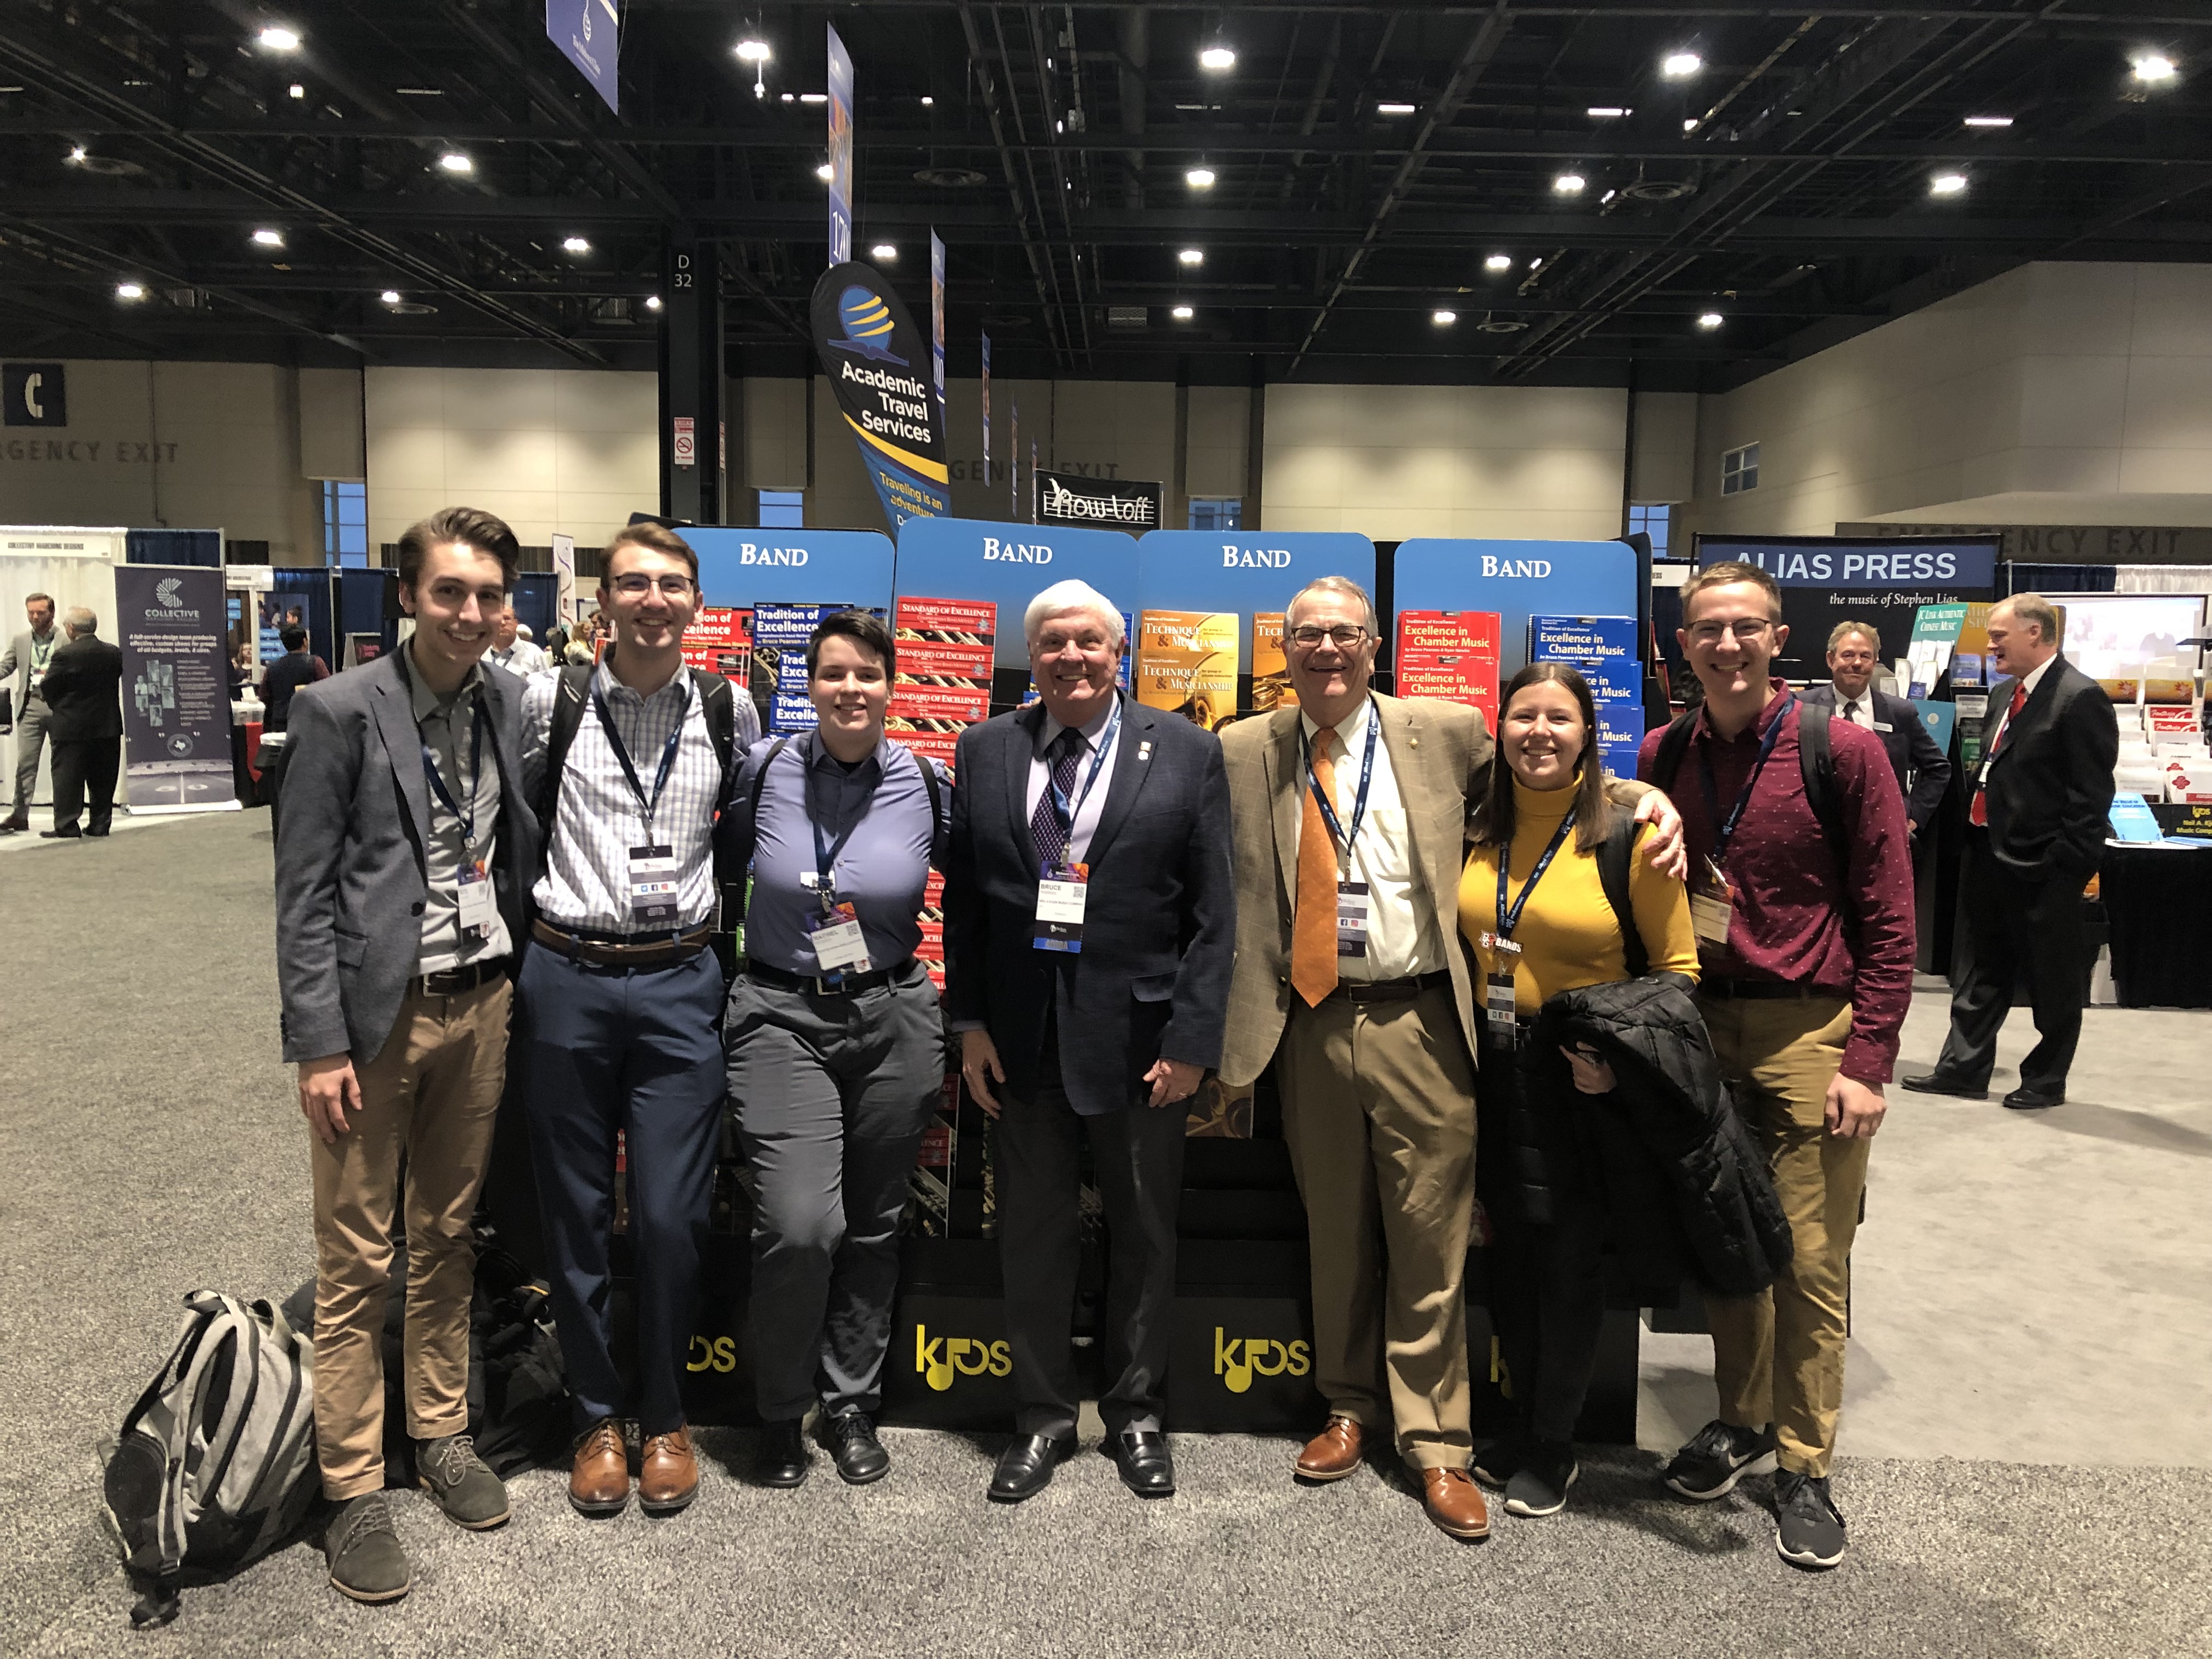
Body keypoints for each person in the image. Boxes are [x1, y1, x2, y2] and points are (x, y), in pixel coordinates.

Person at [1216, 574, 1681, 1542]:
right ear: (1285, 649)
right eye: (1308, 635)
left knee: (1429, 1237)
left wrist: (1653, 799)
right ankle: (1348, 1406)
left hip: (1423, 1016)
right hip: (1305, 1018)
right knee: (1334, 1228)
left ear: (1375, 643)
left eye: (1345, 633)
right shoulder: (1242, 748)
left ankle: (1435, 1441)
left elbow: (1554, 767)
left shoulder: (1444, 728)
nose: (1327, 650)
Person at [273, 506, 539, 1604]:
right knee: (357, 1259)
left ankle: (438, 1431)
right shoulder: (338, 709)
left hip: (482, 1004)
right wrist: (318, 1043)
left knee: (446, 1233)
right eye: (449, 593)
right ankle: (351, 1486)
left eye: (486, 596)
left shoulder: (508, 701)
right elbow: (302, 893)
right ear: (407, 597)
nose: (469, 614)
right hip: (374, 1024)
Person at [1639, 560, 1915, 1572]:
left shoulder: (1840, 751)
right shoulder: (1663, 752)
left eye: (1743, 626)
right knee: (1727, 1243)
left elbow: (1889, 915)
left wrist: (1868, 1057)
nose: (1725, 644)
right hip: (1703, 1026)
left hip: (1811, 1032)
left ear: (1776, 636)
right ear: (1682, 644)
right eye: (1706, 628)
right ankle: (1740, 1418)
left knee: (1807, 1253)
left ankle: (1804, 1461)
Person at [943, 579, 1234, 1503]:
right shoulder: (985, 747)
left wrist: (1191, 1039)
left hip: (1143, 1041)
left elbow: (1214, 914)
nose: (1071, 656)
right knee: (1031, 1234)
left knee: (1145, 1232)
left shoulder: (1186, 750)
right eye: (1053, 642)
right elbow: (965, 906)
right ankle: (1041, 1417)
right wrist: (971, 1022)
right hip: (1021, 1040)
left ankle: (1138, 1412)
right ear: (1033, 656)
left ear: (1121, 653)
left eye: (1088, 641)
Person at [518, 522, 760, 1521]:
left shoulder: (726, 705)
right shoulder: (551, 699)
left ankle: (664, 1412)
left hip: (677, 983)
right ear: (601, 601)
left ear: (695, 600)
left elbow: (741, 837)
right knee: (572, 1214)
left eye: (670, 583)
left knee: (667, 1215)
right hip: (567, 974)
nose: (652, 599)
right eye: (632, 582)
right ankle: (593, 1416)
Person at [1459, 664, 1703, 1519]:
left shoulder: (1629, 833)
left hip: (1582, 1078)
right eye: (1523, 716)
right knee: (1513, 1260)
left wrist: (1612, 1060)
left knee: (1568, 1266)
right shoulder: (1479, 823)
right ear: (1500, 727)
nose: (1538, 732)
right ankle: (1525, 1423)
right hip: (1492, 1068)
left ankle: (1555, 1445)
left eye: (1559, 718)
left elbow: (1677, 973)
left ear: (1587, 732)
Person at [718, 610, 951, 1489]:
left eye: (867, 674)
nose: (850, 689)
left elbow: (979, 890)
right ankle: (780, 1408)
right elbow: (722, 871)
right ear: (808, 686)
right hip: (781, 1015)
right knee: (801, 1223)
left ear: (893, 686)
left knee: (877, 1223)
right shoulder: (766, 770)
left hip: (892, 1015)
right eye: (832, 674)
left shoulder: (927, 783)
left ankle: (849, 1402)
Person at [1904, 594, 2118, 1111]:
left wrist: (2063, 865)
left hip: (2044, 869)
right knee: (1978, 971)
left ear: (2037, 635)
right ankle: (1963, 1070)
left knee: (2053, 980)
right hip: (1988, 857)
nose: (1990, 643)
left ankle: (2046, 1080)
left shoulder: (2079, 697)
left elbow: (2090, 798)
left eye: (1999, 634)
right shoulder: (2005, 695)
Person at [1798, 622, 1951, 838]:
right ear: (1831, 660)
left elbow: (1938, 767)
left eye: (1866, 656)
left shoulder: (1900, 712)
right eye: (1848, 655)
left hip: (1882, 833)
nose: (1857, 663)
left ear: (1875, 661)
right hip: (1819, 834)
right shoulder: (1804, 708)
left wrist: (1915, 814)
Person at [36, 607, 125, 840]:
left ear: (71, 628)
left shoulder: (64, 655)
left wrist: (61, 706)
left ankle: (67, 826)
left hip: (71, 727)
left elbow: (48, 686)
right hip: (107, 726)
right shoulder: (113, 652)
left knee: (68, 779)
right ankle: (100, 824)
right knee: (104, 779)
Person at [0, 592, 61, 834]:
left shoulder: (66, 638)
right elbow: (7, 666)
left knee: (63, 765)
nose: (35, 617)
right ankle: (19, 815)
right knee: (25, 764)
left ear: (52, 613)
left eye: (40, 612)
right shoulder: (21, 640)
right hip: (30, 706)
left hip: (59, 707)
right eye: (31, 612)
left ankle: (64, 816)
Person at [259, 625, 331, 735]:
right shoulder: (316, 663)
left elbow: (264, 696)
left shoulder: (272, 668)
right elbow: (328, 690)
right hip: (310, 722)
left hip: (281, 723)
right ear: (305, 641)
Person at [488, 607, 550, 677]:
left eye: (507, 618)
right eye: (498, 619)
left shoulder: (534, 654)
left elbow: (547, 685)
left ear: (516, 623)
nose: (502, 623)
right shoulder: (482, 653)